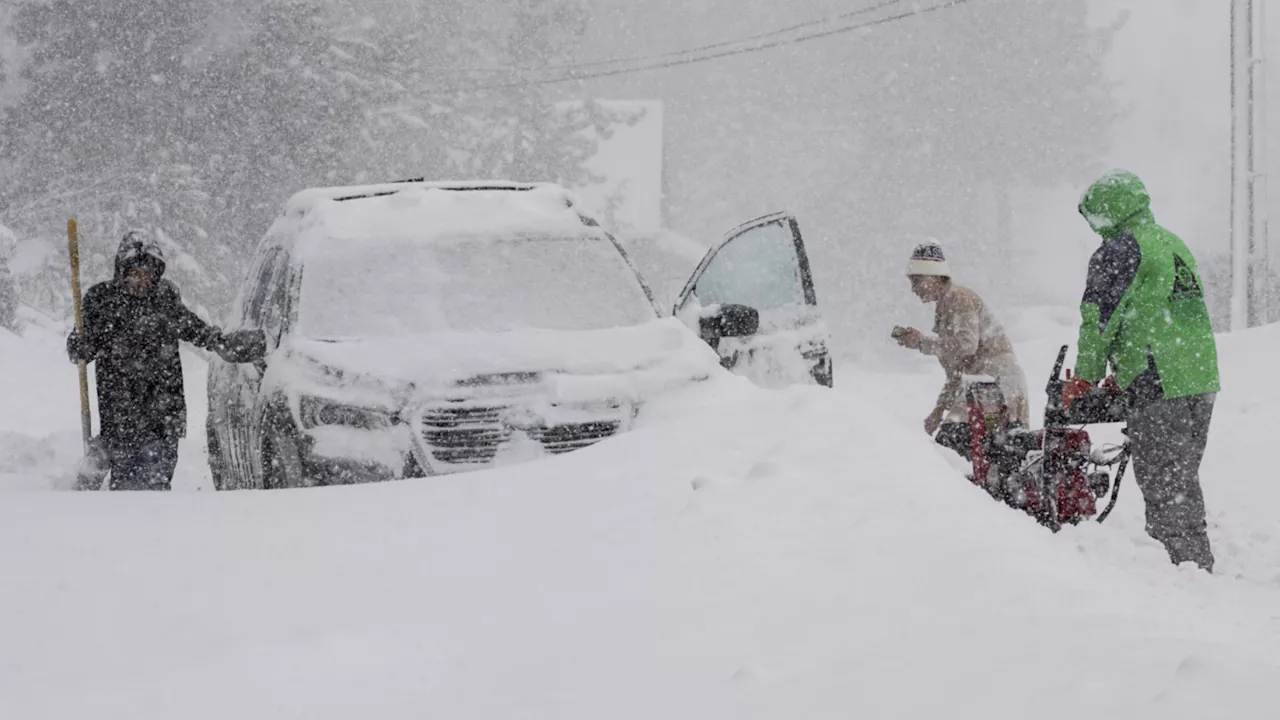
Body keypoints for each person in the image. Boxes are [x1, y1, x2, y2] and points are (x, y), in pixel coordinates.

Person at [1065, 170, 1219, 572]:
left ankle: (1184, 572)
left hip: (1159, 376)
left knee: (1166, 482)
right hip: (1198, 375)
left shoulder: (1119, 249)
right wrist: (1128, 365)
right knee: (1180, 477)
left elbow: (1098, 319)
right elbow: (1161, 311)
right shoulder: (1171, 242)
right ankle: (1188, 561)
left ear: (1107, 210)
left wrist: (1085, 376)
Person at [67, 230, 264, 491]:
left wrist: (220, 342)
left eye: (148, 274)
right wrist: (81, 345)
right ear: (122, 272)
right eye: (135, 274)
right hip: (120, 409)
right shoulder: (102, 300)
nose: (142, 281)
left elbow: (191, 326)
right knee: (126, 486)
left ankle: (157, 524)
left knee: (156, 481)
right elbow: (79, 346)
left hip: (164, 409)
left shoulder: (164, 298)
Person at [894, 241, 1030, 459]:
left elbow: (967, 345)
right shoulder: (945, 305)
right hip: (985, 388)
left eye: (917, 280)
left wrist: (922, 343)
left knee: (953, 450)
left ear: (935, 276)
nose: (913, 289)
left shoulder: (958, 297)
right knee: (992, 461)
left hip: (996, 385)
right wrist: (939, 410)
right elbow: (958, 372)